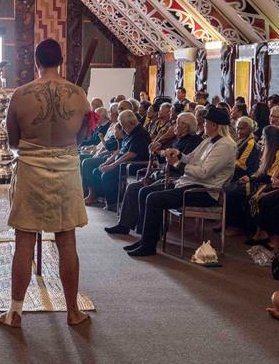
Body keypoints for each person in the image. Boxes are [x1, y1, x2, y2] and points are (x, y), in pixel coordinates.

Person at [0, 38, 90, 328]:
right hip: (66, 168)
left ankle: (14, 313)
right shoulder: (78, 95)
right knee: (67, 240)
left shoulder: (21, 95)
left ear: (36, 62)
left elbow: (12, 141)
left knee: (24, 242)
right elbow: (83, 138)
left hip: (32, 169)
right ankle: (73, 311)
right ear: (61, 60)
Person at [125, 106, 237, 257]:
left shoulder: (226, 146)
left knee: (154, 198)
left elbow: (204, 173)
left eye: (206, 122)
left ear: (215, 125)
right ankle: (146, 239)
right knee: (145, 191)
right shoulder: (209, 141)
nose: (203, 125)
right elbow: (191, 157)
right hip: (190, 183)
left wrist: (178, 164)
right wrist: (177, 154)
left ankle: (148, 246)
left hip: (205, 192)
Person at [106, 112, 202, 236]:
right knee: (133, 187)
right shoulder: (178, 140)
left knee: (141, 189)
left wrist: (166, 157)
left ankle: (145, 231)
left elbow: (180, 165)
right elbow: (163, 158)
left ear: (185, 127)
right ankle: (125, 225)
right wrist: (157, 151)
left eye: (177, 124)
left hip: (176, 178)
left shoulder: (194, 142)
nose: (173, 127)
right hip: (165, 174)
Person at [226, 125, 279, 236]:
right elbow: (260, 171)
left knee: (236, 192)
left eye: (264, 138)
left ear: (271, 139)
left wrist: (251, 179)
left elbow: (270, 175)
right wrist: (250, 177)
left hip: (270, 184)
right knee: (231, 187)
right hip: (262, 179)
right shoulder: (270, 150)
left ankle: (237, 226)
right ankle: (228, 222)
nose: (262, 140)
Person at [86, 110, 150, 208]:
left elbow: (130, 154)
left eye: (124, 126)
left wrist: (111, 166)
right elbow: (120, 151)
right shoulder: (130, 132)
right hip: (122, 162)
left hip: (133, 165)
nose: (123, 129)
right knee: (97, 171)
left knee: (107, 174)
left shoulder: (140, 133)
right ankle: (102, 198)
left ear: (132, 122)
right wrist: (106, 163)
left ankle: (114, 203)